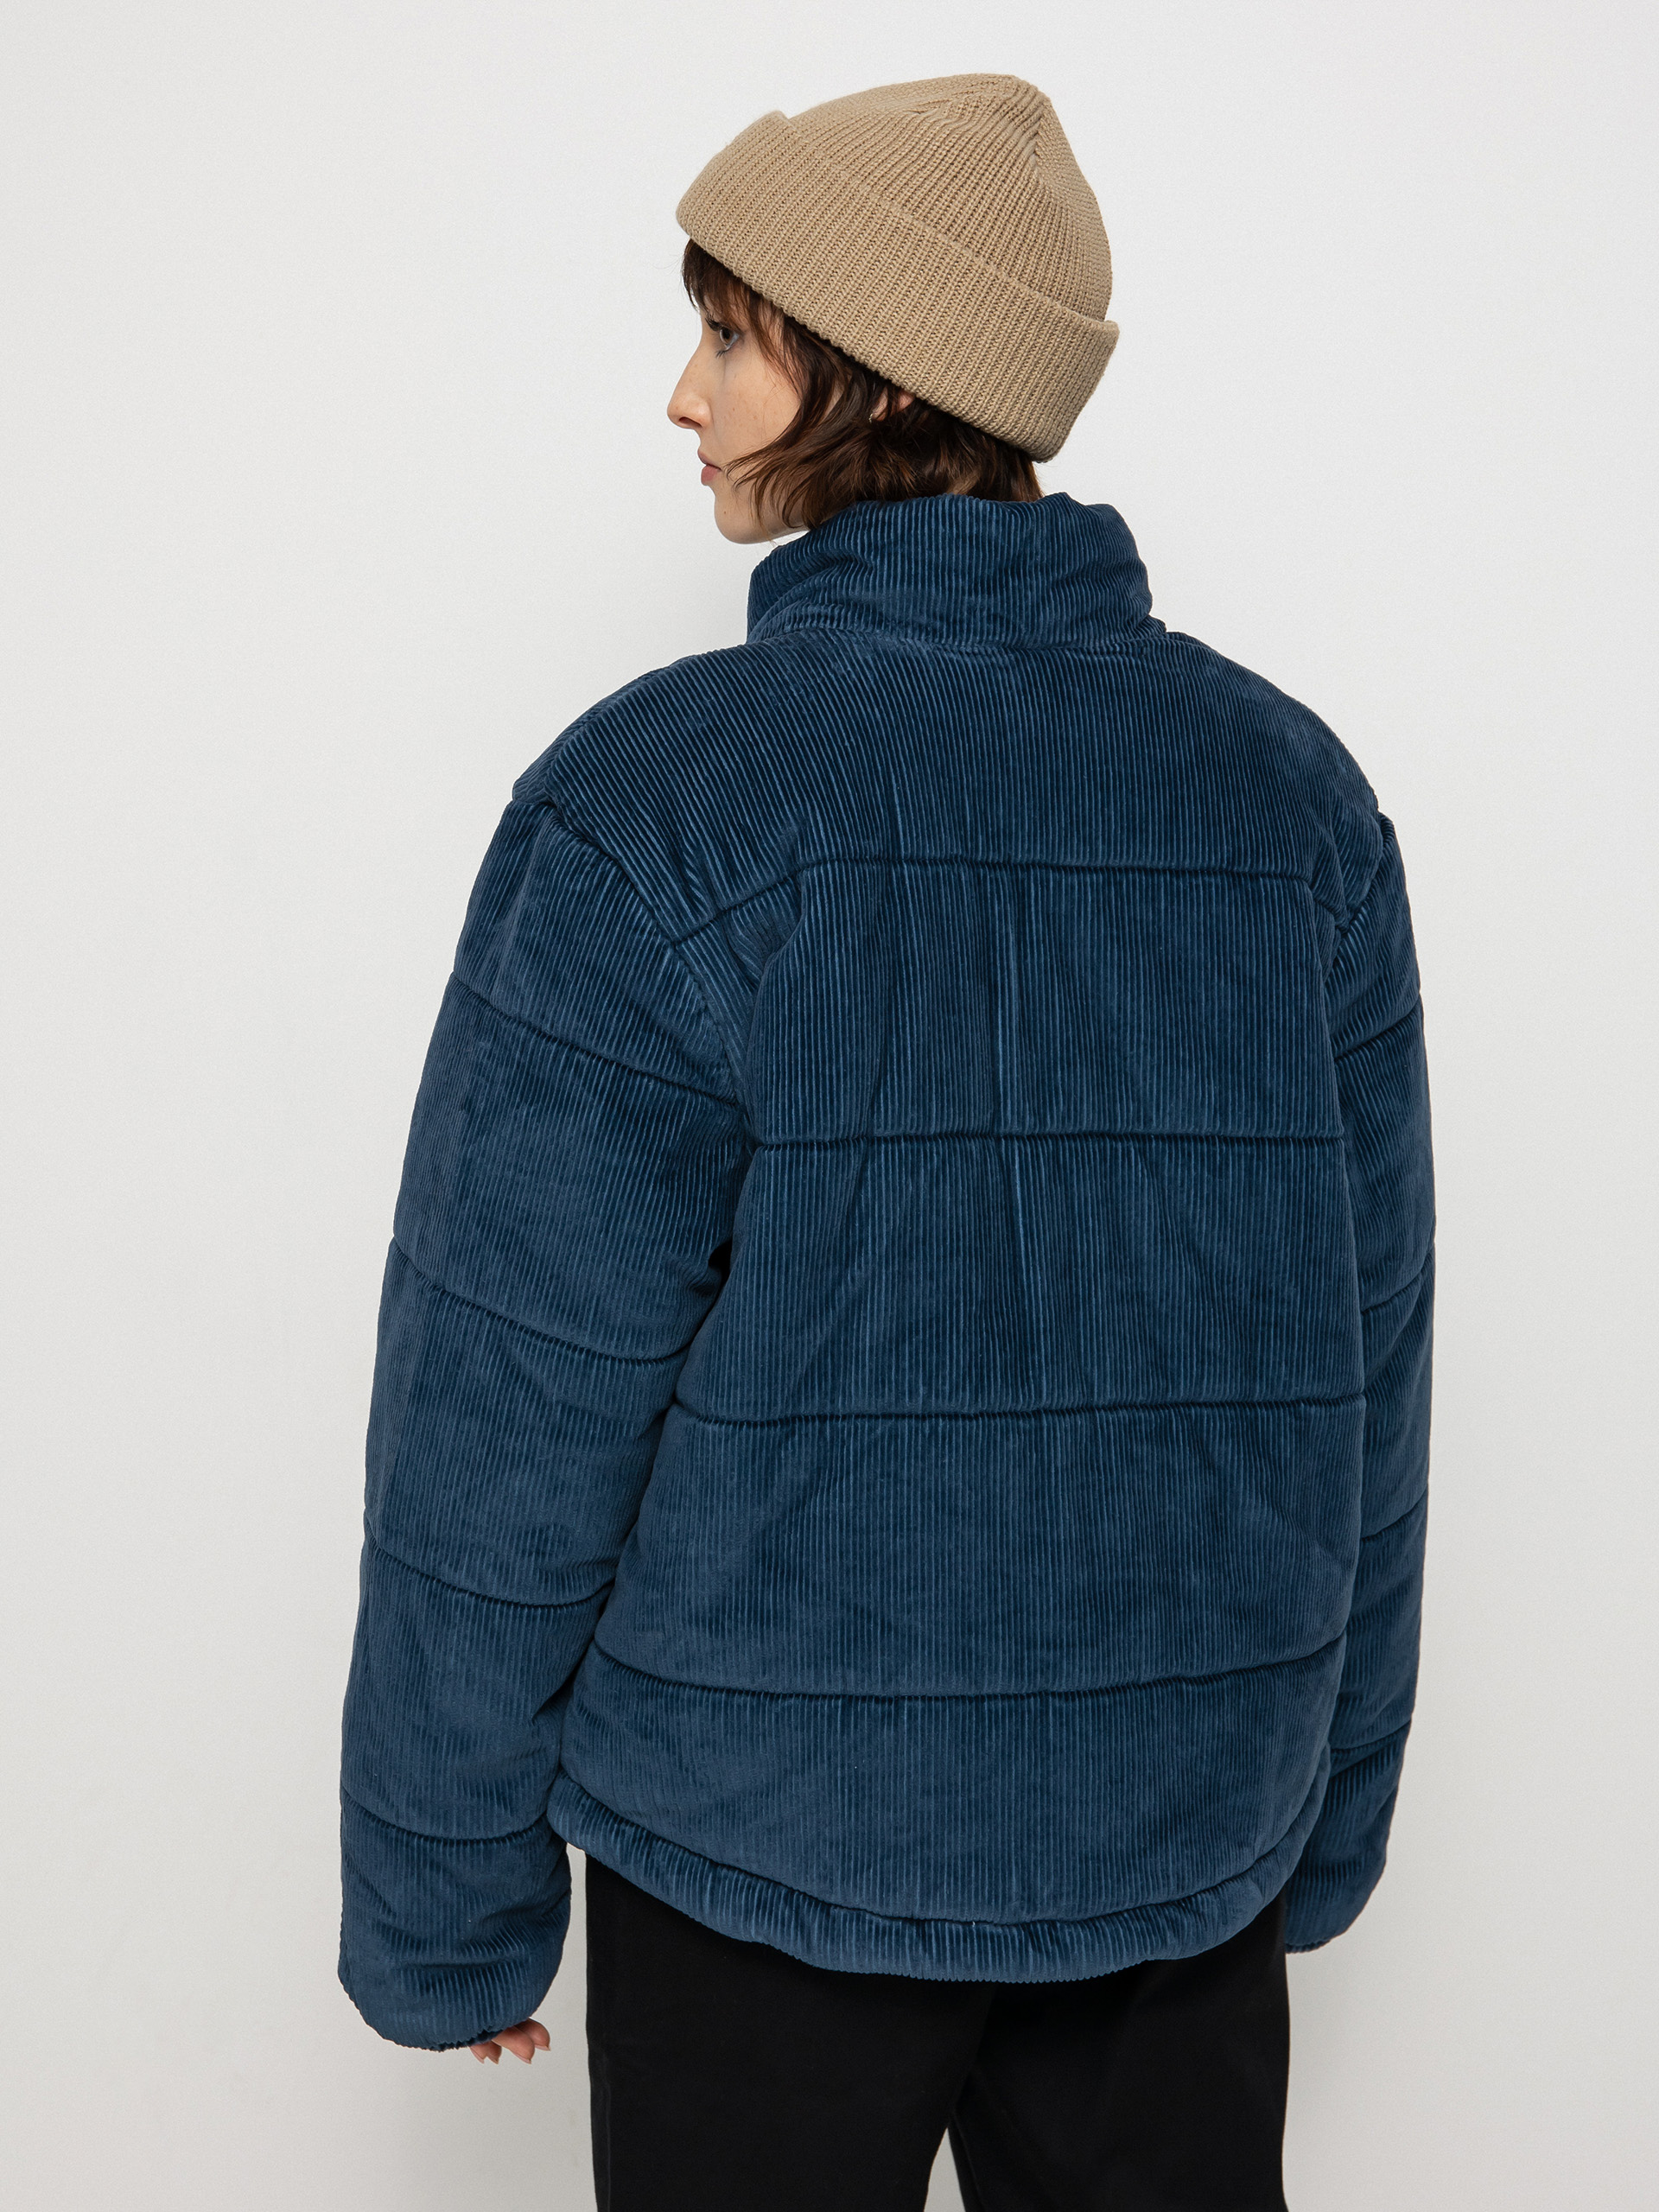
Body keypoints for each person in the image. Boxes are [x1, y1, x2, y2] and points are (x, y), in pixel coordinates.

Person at [339, 74, 1433, 2212]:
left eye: (729, 334)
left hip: (758, 1848)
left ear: (882, 368)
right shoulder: (1290, 798)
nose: (686, 395)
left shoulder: (659, 806)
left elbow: (504, 1404)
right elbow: (1369, 1370)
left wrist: (446, 1888)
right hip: (1179, 1848)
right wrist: (1330, 1807)